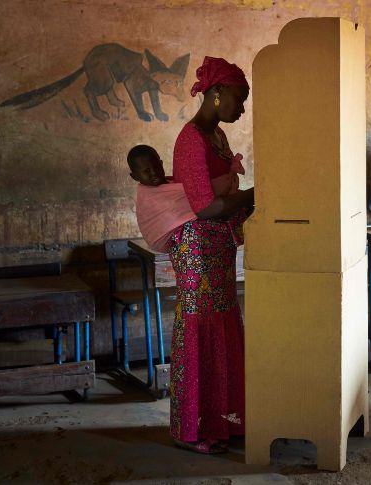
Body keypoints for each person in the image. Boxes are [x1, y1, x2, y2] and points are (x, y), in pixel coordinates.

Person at [166, 55, 254, 454]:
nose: (242, 107)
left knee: (222, 326)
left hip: (215, 248)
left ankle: (226, 421)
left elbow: (226, 200)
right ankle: (194, 429)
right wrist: (256, 194)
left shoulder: (216, 136)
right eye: (239, 98)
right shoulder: (191, 139)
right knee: (202, 328)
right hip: (195, 249)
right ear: (217, 93)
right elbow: (203, 207)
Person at [127, 144, 197, 253]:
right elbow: (202, 203)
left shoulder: (174, 183)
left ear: (161, 164)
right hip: (180, 244)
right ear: (135, 177)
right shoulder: (148, 198)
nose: (154, 173)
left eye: (156, 167)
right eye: (147, 171)